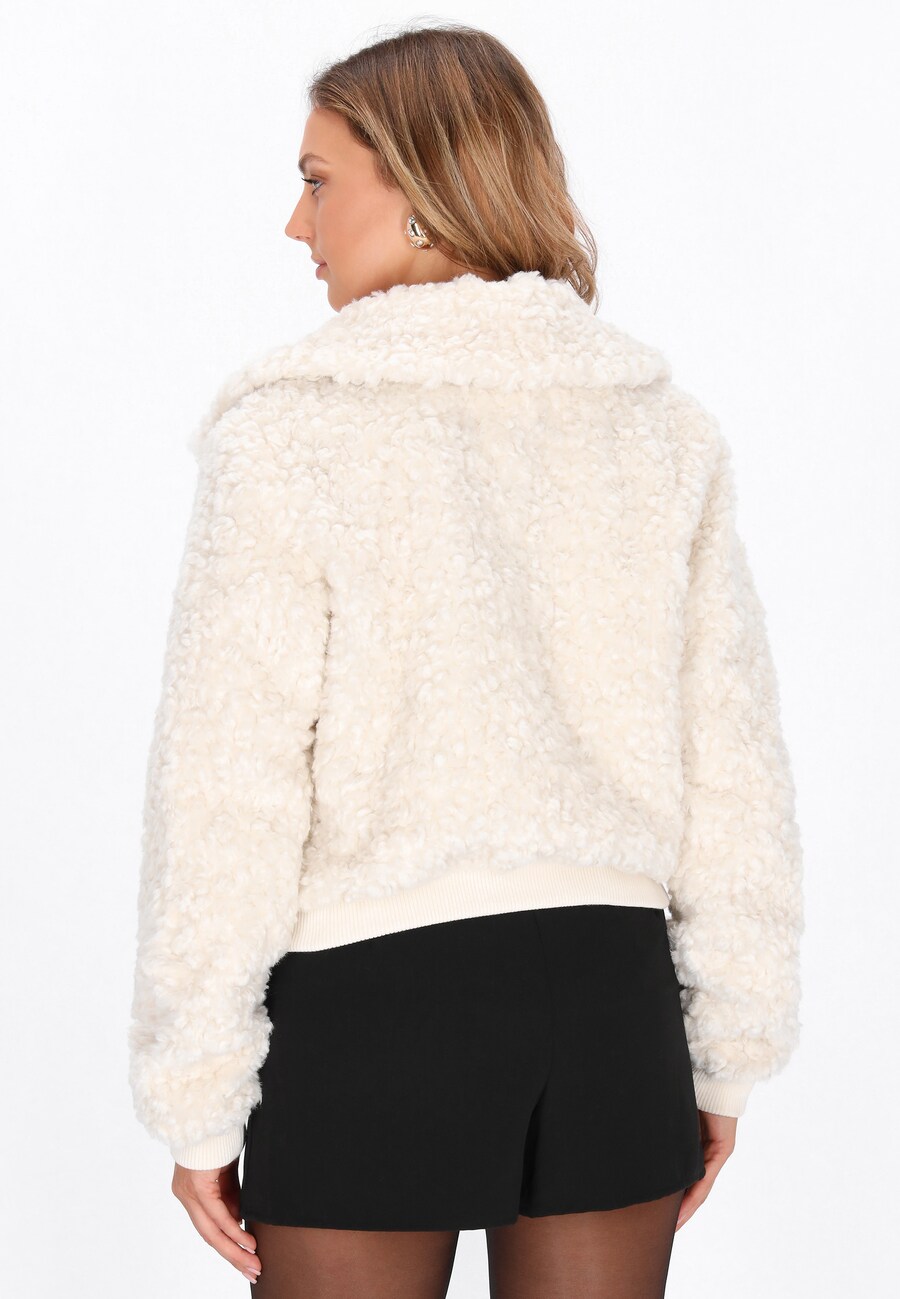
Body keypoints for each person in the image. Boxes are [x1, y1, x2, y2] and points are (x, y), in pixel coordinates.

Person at [127, 22, 804, 1299]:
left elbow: (226, 786)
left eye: (317, 181)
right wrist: (726, 1051)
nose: (294, 223)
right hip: (609, 1009)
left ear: (423, 189)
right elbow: (736, 775)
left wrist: (198, 1099)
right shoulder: (659, 429)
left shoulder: (292, 432)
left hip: (372, 1009)